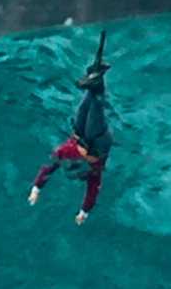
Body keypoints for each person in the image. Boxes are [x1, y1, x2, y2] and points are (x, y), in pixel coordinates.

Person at [28, 33, 114, 224]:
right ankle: (97, 84)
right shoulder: (95, 169)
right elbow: (92, 193)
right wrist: (83, 213)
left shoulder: (64, 153)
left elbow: (46, 169)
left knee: (84, 106)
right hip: (98, 142)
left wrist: (36, 189)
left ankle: (97, 75)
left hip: (79, 135)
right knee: (96, 106)